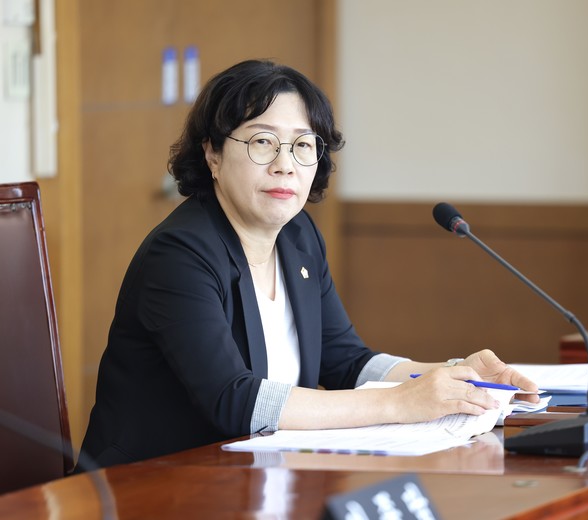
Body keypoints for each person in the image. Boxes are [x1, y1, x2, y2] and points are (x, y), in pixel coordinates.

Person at [79, 59, 538, 468]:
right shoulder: (181, 253)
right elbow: (234, 401)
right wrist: (402, 402)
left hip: (252, 481)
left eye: (302, 145)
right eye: (263, 142)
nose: (285, 165)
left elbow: (346, 361)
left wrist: (454, 376)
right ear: (212, 154)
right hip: (147, 489)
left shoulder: (298, 236)